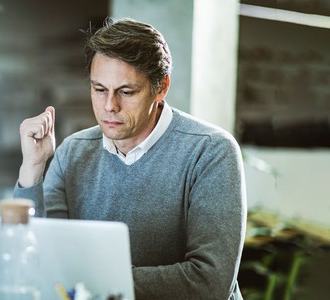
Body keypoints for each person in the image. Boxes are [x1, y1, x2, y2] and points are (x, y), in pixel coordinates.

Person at [13, 17, 247, 300]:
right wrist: (34, 168)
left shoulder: (211, 151)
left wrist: (95, 280)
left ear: (160, 88)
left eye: (126, 91)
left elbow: (209, 282)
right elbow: (38, 259)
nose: (110, 105)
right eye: (99, 89)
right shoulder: (72, 152)